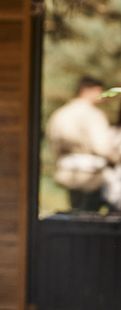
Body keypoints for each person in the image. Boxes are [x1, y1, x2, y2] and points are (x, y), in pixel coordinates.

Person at [46, 76, 116, 212]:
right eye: (99, 91)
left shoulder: (60, 113)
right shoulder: (92, 114)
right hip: (92, 175)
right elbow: (103, 147)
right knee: (91, 216)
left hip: (68, 172)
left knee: (76, 213)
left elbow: (54, 145)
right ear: (85, 91)